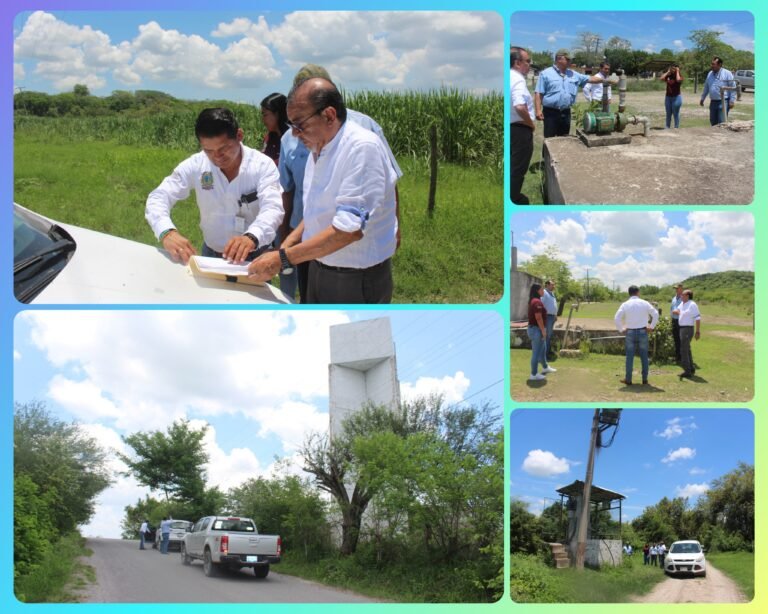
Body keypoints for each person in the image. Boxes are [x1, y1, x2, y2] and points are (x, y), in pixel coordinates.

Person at [248, 78, 398, 304]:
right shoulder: (319, 148)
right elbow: (316, 211)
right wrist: (286, 246)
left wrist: (283, 259)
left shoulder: (361, 148)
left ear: (328, 115)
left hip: (354, 278)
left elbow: (348, 231)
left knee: (349, 338)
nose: (295, 135)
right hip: (319, 265)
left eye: (300, 125)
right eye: (291, 126)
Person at [145, 107, 284, 265]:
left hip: (254, 254)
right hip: (211, 253)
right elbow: (159, 196)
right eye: (208, 150)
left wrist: (252, 236)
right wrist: (166, 232)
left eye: (224, 148)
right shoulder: (197, 164)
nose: (217, 157)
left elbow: (273, 208)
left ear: (239, 135)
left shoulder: (262, 165)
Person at [534, 49, 613, 138]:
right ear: (559, 59)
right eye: (568, 59)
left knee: (564, 139)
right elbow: (538, 93)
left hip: (566, 112)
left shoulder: (573, 74)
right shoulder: (546, 74)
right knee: (549, 139)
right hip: (550, 113)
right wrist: (538, 110)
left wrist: (605, 80)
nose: (570, 61)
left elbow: (590, 79)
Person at [614, 285, 659, 386]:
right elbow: (655, 314)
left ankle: (628, 379)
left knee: (629, 357)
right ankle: (644, 380)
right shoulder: (644, 303)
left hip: (630, 332)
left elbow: (616, 318)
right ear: (638, 292)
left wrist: (621, 329)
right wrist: (651, 327)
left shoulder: (625, 304)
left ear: (629, 293)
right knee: (644, 356)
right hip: (643, 331)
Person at [510, 46, 536, 204]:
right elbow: (519, 106)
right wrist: (530, 124)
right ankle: (513, 197)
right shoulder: (518, 79)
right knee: (518, 168)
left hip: (512, 127)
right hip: (520, 130)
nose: (529, 65)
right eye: (527, 61)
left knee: (512, 165)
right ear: (517, 63)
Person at [527, 283, 556, 381]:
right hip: (536, 330)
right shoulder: (537, 302)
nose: (543, 291)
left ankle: (545, 367)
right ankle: (533, 374)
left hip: (535, 329)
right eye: (541, 289)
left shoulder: (534, 300)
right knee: (536, 353)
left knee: (543, 349)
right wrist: (543, 331)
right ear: (537, 291)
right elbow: (538, 318)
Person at [673, 289, 701, 379]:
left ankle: (687, 371)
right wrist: (679, 312)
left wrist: (697, 331)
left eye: (683, 295)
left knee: (683, 350)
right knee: (687, 349)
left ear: (688, 296)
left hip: (687, 329)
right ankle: (691, 368)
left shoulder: (692, 304)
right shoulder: (683, 303)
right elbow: (677, 310)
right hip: (682, 328)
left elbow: (698, 318)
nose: (681, 296)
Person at [700, 56, 736, 126]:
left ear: (719, 65)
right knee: (713, 122)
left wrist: (732, 101)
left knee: (722, 123)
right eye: (711, 64)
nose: (711, 66)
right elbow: (706, 87)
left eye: (713, 64)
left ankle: (723, 136)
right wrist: (702, 98)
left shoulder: (727, 73)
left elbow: (733, 87)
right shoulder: (710, 74)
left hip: (723, 101)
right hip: (713, 101)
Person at [260, 92, 289, 164]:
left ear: (277, 114)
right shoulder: (268, 137)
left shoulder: (293, 138)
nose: (262, 119)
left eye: (265, 115)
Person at [659, 64, 683, 129]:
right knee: (668, 113)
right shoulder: (668, 76)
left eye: (674, 68)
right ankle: (667, 127)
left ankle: (676, 127)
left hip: (676, 98)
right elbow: (661, 78)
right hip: (668, 97)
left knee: (676, 114)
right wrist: (667, 72)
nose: (672, 70)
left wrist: (677, 71)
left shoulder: (679, 76)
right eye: (671, 68)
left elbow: (678, 80)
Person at [541, 279, 558, 359]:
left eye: (554, 285)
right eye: (552, 285)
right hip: (547, 317)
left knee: (549, 335)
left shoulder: (552, 293)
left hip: (552, 317)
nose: (553, 286)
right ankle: (544, 355)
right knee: (546, 335)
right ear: (547, 285)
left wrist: (555, 315)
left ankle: (547, 351)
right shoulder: (544, 293)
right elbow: (541, 305)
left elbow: (553, 304)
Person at [670, 284, 684, 363]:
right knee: (675, 339)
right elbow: (671, 309)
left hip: (681, 321)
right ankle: (677, 356)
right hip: (674, 320)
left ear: (681, 289)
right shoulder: (674, 298)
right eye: (675, 288)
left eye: (677, 288)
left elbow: (686, 311)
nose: (676, 290)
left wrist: (678, 312)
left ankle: (683, 357)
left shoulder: (684, 298)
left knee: (681, 339)